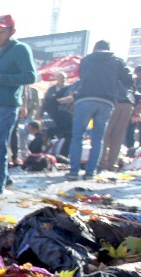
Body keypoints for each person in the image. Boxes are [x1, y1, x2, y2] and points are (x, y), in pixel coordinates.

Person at [0, 14, 36, 201]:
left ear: (12, 32)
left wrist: (0, 79)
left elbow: (30, 76)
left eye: (2, 32)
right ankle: (4, 178)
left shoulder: (20, 49)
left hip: (7, 106)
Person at [66, 40, 132, 181]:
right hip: (106, 102)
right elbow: (128, 80)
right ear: (109, 48)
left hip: (84, 100)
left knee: (77, 137)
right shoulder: (117, 61)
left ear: (95, 48)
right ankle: (90, 172)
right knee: (97, 138)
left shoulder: (86, 60)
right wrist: (115, 87)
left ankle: (73, 172)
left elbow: (82, 77)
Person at [42, 72, 72, 158]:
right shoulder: (51, 89)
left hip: (65, 113)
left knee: (65, 133)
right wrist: (41, 112)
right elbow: (46, 101)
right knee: (62, 132)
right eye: (61, 78)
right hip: (53, 113)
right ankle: (51, 150)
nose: (63, 80)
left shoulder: (69, 88)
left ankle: (61, 153)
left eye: (64, 78)